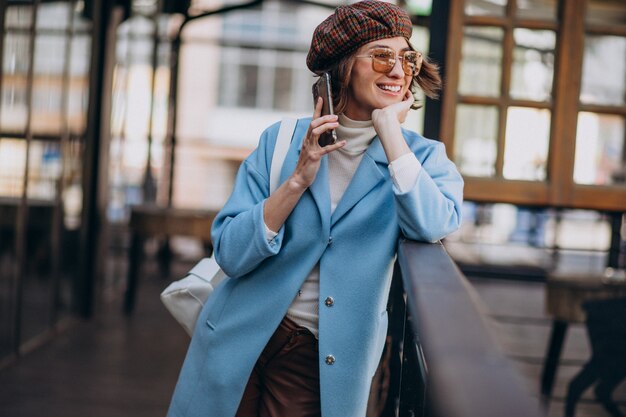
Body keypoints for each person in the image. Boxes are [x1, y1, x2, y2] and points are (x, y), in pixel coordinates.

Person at [167, 1, 463, 416]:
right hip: (236, 336)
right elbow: (230, 254)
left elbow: (434, 225)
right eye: (381, 56)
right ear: (342, 67)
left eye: (406, 58)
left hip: (321, 359)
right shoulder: (281, 141)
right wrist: (296, 181)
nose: (397, 71)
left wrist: (390, 133)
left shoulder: (421, 159)